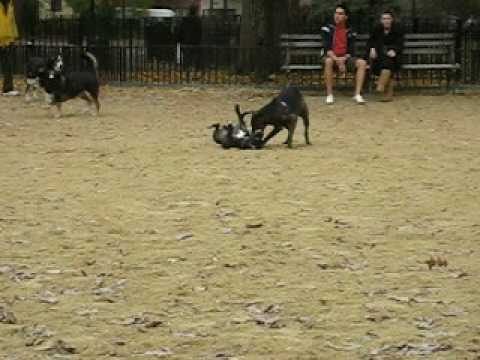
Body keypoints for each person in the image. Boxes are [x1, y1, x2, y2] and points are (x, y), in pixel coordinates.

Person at [321, 3, 368, 105]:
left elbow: (351, 51)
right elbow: (327, 48)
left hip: (345, 58)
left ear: (346, 17)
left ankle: (357, 94)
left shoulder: (350, 30)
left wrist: (343, 60)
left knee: (362, 63)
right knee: (328, 61)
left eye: (341, 14)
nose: (337, 16)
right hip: (331, 57)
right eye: (336, 13)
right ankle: (329, 95)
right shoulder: (327, 28)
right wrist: (338, 60)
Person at [367, 10, 404, 102]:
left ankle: (380, 86)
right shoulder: (377, 29)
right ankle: (386, 92)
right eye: (384, 19)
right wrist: (372, 48)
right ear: (381, 20)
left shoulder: (397, 29)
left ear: (392, 20)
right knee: (386, 63)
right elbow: (370, 41)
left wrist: (394, 51)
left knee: (389, 61)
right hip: (379, 57)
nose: (386, 21)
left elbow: (400, 44)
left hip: (394, 57)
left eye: (388, 18)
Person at [0, 0, 19, 96]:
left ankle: (8, 88)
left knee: (7, 64)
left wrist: (14, 37)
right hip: (2, 39)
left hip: (7, 41)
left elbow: (12, 22)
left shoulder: (10, 4)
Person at [177, 4, 202, 69]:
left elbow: (180, 30)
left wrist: (179, 40)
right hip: (195, 42)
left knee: (186, 57)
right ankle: (196, 69)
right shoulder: (198, 20)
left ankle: (186, 69)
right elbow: (200, 32)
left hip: (185, 41)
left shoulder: (184, 20)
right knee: (195, 57)